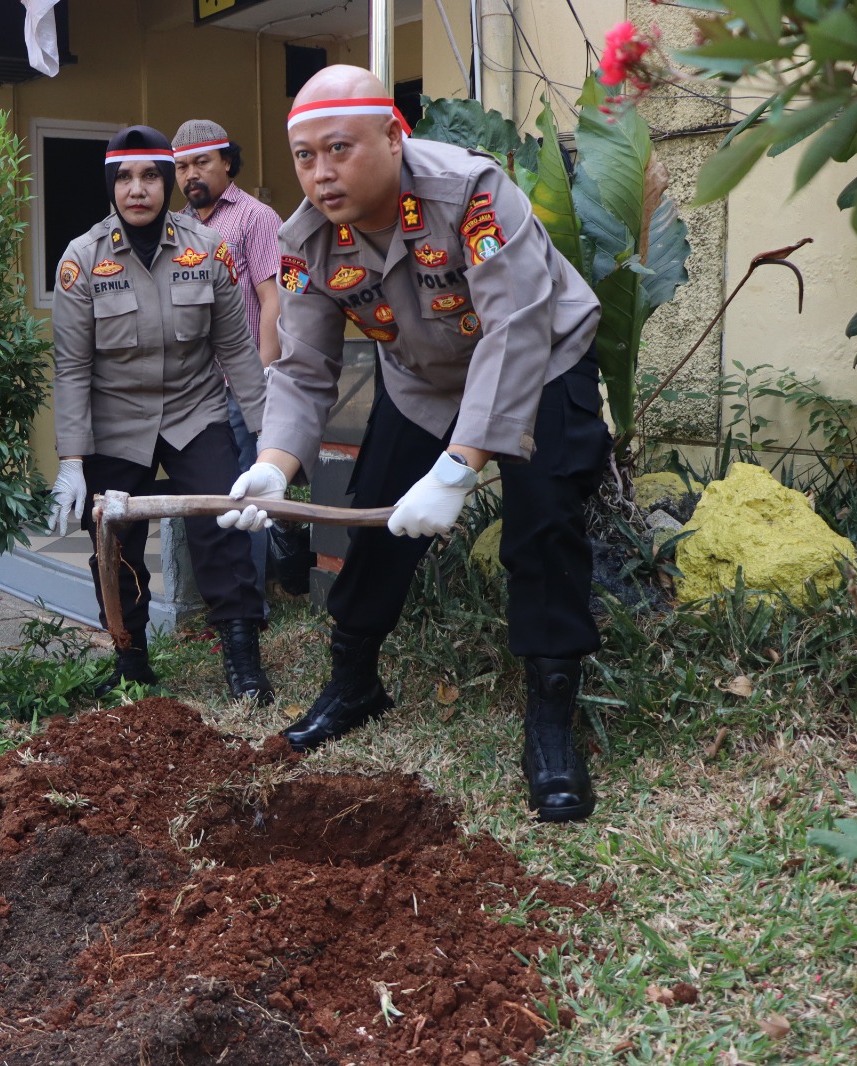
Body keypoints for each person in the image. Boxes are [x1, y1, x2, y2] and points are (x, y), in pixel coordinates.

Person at [219, 66, 611, 823]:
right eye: (304, 157)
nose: (320, 173)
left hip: (541, 356)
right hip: (424, 381)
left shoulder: (471, 193)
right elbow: (303, 369)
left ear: (394, 137)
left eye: (338, 149)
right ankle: (355, 682)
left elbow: (516, 328)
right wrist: (274, 465)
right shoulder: (306, 238)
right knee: (375, 513)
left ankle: (551, 723)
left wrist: (462, 467)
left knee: (544, 519)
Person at [50, 125, 273, 705]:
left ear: (168, 181)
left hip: (194, 412)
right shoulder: (81, 260)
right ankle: (132, 660)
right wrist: (71, 461)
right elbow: (71, 367)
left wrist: (272, 444)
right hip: (115, 422)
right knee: (113, 540)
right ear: (110, 185)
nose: (138, 188)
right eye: (124, 177)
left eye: (151, 175)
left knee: (222, 526)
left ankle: (243, 659)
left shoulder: (207, 250)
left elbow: (238, 354)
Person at [173, 119, 284, 599]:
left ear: (227, 163)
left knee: (242, 495)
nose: (191, 175)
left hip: (241, 384)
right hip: (194, 389)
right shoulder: (177, 226)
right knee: (211, 496)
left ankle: (249, 605)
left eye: (201, 163)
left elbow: (273, 299)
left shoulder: (255, 218)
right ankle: (222, 601)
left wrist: (258, 379)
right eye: (181, 167)